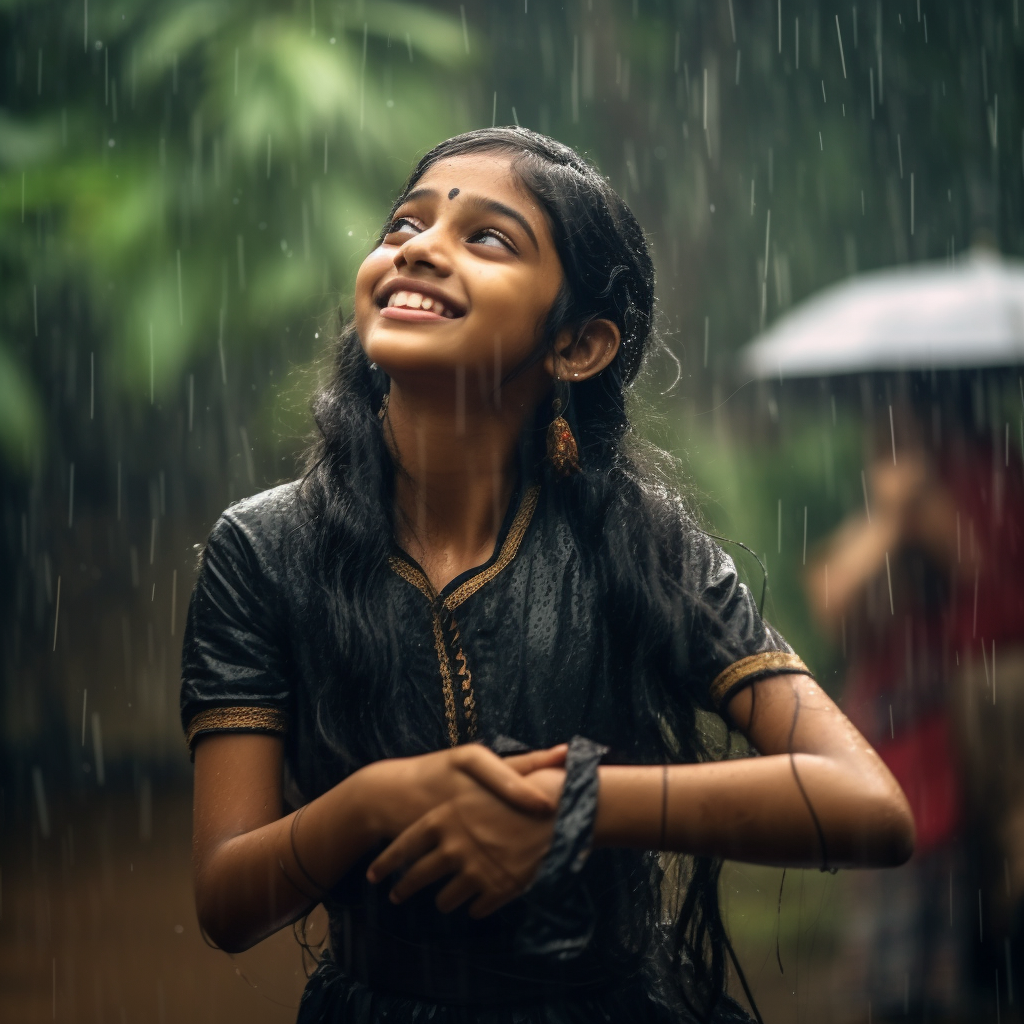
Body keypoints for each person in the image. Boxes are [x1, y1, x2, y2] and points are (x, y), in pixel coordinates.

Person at [180, 128, 914, 1024]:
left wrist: (579, 804)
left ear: (579, 345)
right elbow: (227, 903)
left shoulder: (639, 543)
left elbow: (868, 807)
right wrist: (374, 801)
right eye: (402, 226)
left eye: (486, 238)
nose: (418, 247)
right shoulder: (262, 550)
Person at [805, 396, 1024, 1021]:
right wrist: (891, 518)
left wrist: (927, 512)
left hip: (964, 759)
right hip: (895, 756)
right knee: (897, 980)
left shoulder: (982, 490)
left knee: (964, 964)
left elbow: (988, 588)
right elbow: (831, 599)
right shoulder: (880, 522)